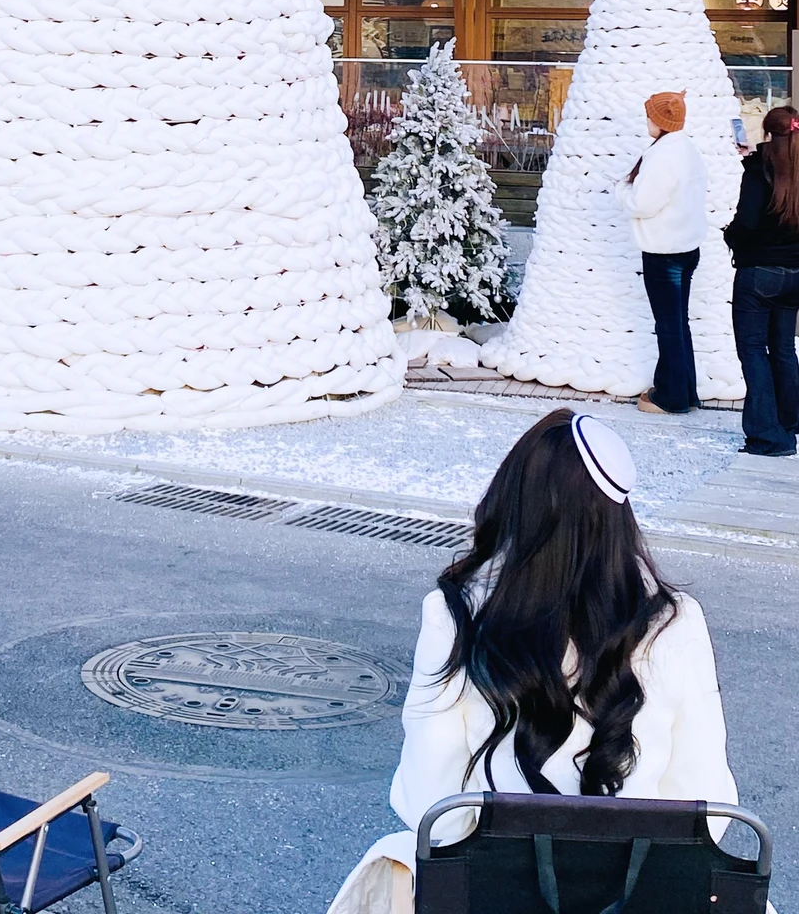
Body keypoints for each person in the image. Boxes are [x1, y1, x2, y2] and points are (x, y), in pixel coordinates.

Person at [327, 410, 738, 914]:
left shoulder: (456, 613)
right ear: (618, 519)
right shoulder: (674, 622)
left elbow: (431, 809)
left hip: (489, 897)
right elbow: (705, 809)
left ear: (512, 502)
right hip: (641, 897)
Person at [615, 90, 708, 416]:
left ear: (660, 120)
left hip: (664, 251)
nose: (647, 122)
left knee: (668, 325)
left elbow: (643, 204)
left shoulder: (663, 156)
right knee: (678, 323)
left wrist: (622, 190)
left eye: (650, 116)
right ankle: (685, 390)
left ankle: (671, 396)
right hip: (686, 248)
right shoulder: (687, 150)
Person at [724, 103, 799, 458]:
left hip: (759, 275)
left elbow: (746, 223)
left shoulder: (759, 171)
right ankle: (789, 421)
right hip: (795, 275)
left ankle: (768, 435)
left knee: (753, 351)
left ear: (768, 134)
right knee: (783, 349)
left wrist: (731, 238)